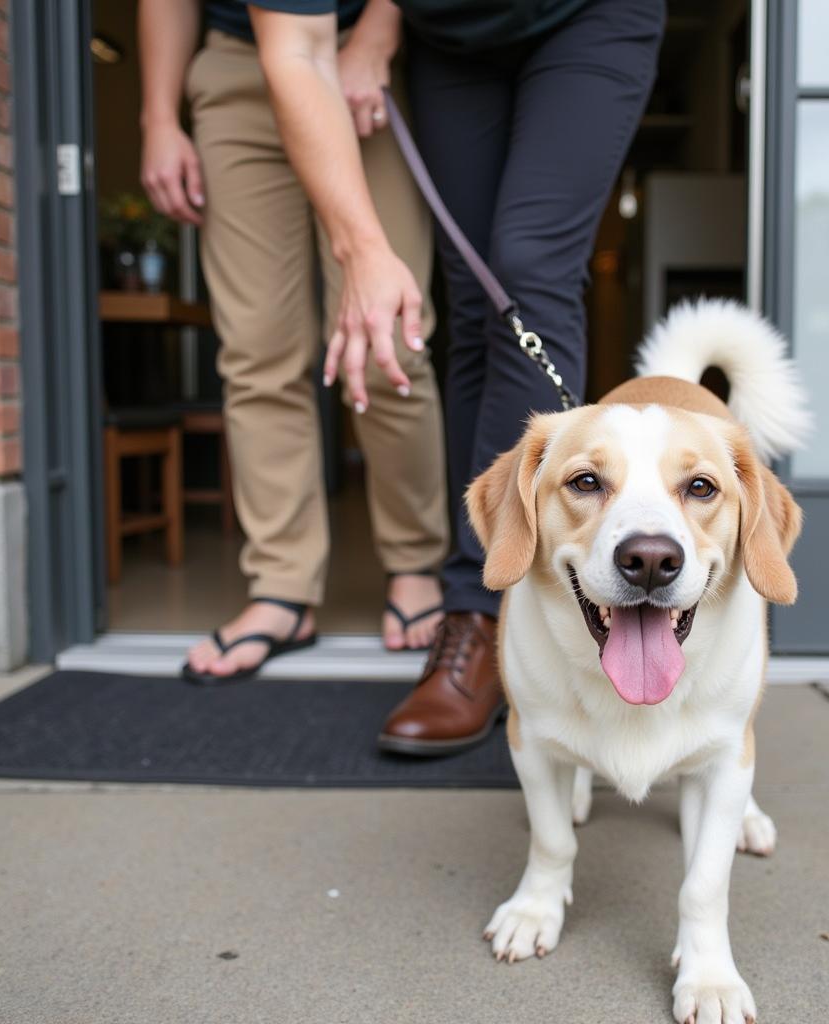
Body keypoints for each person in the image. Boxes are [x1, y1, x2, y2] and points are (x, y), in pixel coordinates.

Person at [243, 0, 662, 751]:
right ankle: (479, 615)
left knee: (528, 269)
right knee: (473, 299)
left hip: (590, 14)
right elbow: (294, 46)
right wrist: (380, 24)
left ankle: (502, 606)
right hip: (451, 40)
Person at [138, 0, 450, 682]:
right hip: (236, 72)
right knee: (257, 353)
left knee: (390, 337)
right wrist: (159, 117)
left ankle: (415, 565)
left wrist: (379, 29)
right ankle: (281, 586)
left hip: (354, 63)